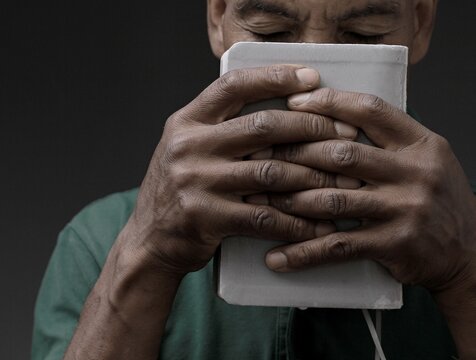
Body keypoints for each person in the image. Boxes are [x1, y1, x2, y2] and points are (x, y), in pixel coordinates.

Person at [32, 0, 476, 359]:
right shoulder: (98, 241)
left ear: (419, 22)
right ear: (217, 17)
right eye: (268, 33)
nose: (313, 89)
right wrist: (148, 252)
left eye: (364, 37)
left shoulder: (465, 234)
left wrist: (464, 271)